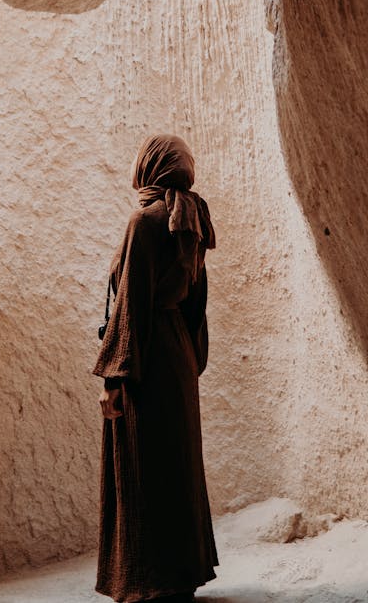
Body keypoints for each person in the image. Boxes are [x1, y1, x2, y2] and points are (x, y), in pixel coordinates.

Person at [93, 134, 218, 603]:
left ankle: (145, 581)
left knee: (142, 463)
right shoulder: (191, 219)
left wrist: (114, 378)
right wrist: (188, 357)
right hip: (177, 353)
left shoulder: (144, 222)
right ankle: (179, 576)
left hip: (144, 355)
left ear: (149, 166)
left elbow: (131, 305)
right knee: (175, 463)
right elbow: (196, 301)